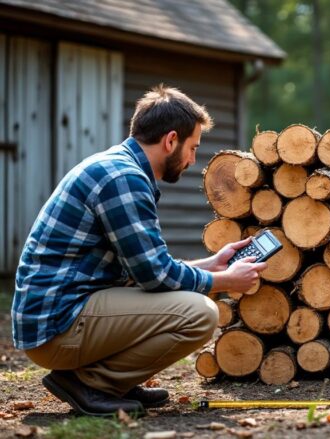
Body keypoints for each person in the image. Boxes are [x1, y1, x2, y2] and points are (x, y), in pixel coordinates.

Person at [11, 85, 266, 417]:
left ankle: (105, 382)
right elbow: (154, 275)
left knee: (186, 301)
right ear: (170, 140)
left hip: (61, 313)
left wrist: (213, 265)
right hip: (58, 325)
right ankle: (93, 385)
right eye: (192, 148)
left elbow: (143, 267)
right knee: (199, 313)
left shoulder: (119, 168)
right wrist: (225, 281)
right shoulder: (123, 178)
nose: (192, 160)